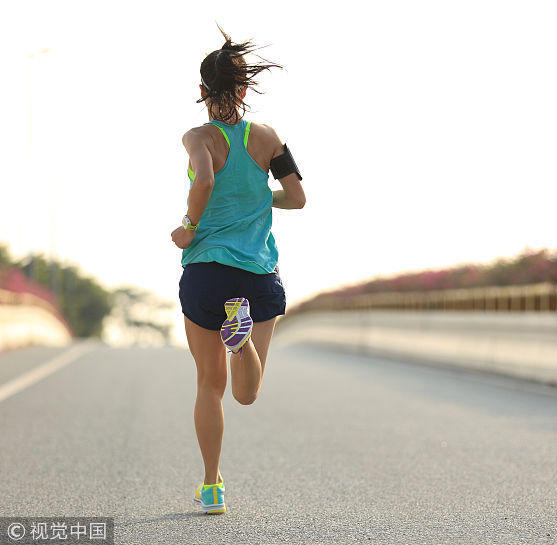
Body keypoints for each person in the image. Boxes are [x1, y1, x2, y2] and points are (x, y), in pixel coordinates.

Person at [170, 26, 306, 515]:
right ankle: (242, 338)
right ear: (245, 90)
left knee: (211, 385)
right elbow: (298, 198)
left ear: (202, 92)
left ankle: (211, 486)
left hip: (207, 272)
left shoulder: (197, 136)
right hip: (257, 276)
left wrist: (188, 225)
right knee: (248, 392)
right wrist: (257, 200)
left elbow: (203, 180)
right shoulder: (268, 138)